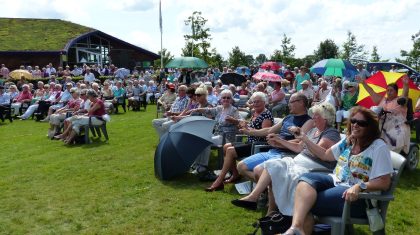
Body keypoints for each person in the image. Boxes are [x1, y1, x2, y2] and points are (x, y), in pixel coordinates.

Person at [283, 106, 393, 235]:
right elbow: (325, 155)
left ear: (371, 127)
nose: (355, 125)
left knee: (306, 202)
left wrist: (360, 186)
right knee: (306, 179)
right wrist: (305, 139)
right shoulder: (349, 141)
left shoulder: (378, 147)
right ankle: (296, 228)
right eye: (353, 121)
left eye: (362, 123)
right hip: (337, 181)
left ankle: (297, 229)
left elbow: (384, 182)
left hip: (357, 198)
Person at [231, 103, 340, 214]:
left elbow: (320, 154)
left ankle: (270, 210)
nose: (313, 118)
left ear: (325, 118)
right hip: (299, 161)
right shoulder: (313, 131)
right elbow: (298, 147)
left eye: (316, 115)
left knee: (277, 171)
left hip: (314, 167)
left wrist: (305, 139)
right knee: (273, 165)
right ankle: (254, 198)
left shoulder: (331, 133)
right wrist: (279, 140)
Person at [205, 92, 274, 192]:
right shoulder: (255, 113)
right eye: (254, 102)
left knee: (230, 150)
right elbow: (251, 128)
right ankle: (235, 174)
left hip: (258, 145)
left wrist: (247, 131)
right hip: (250, 142)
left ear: (264, 102)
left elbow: (264, 134)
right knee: (226, 147)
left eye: (258, 102)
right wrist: (244, 126)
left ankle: (219, 180)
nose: (255, 104)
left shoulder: (266, 115)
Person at [236, 93, 313, 181]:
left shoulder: (309, 121)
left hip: (286, 156)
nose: (288, 104)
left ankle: (265, 188)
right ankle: (267, 187)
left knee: (260, 171)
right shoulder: (288, 117)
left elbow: (300, 142)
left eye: (291, 102)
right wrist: (249, 131)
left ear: (301, 103)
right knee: (241, 166)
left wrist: (278, 141)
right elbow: (269, 130)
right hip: (272, 151)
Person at [361, 75, 410, 153]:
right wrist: (364, 83)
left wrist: (405, 85)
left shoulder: (400, 100)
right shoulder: (382, 99)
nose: (389, 92)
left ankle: (391, 153)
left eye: (391, 90)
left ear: (396, 92)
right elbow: (371, 92)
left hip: (396, 125)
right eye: (387, 90)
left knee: (395, 136)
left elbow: (405, 95)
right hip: (381, 123)